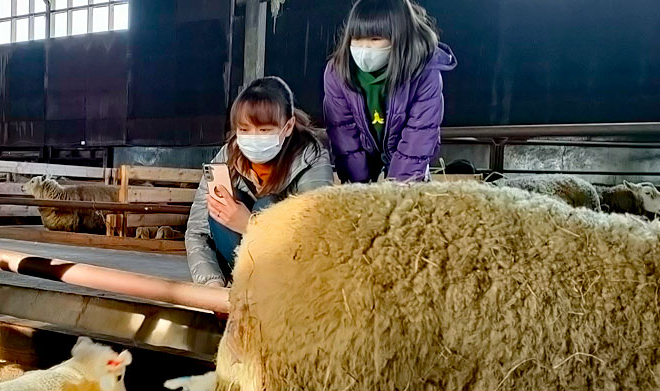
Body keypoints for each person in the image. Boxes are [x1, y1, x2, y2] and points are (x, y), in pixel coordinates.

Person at [186, 76, 333, 287]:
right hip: (239, 265)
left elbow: (316, 235)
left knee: (269, 205)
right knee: (220, 201)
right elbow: (197, 231)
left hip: (289, 269)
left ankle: (265, 290)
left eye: (264, 130)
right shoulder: (228, 155)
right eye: (244, 129)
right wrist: (211, 283)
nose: (253, 137)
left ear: (288, 126)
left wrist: (251, 225)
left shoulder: (310, 157)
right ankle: (247, 285)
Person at [323, 0, 457, 183]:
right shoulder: (338, 71)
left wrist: (397, 192)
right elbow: (343, 131)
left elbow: (419, 133)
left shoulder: (424, 71)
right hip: (364, 147)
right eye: (356, 38)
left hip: (407, 151)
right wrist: (356, 189)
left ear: (398, 36)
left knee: (407, 204)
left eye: (375, 39)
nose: (364, 47)